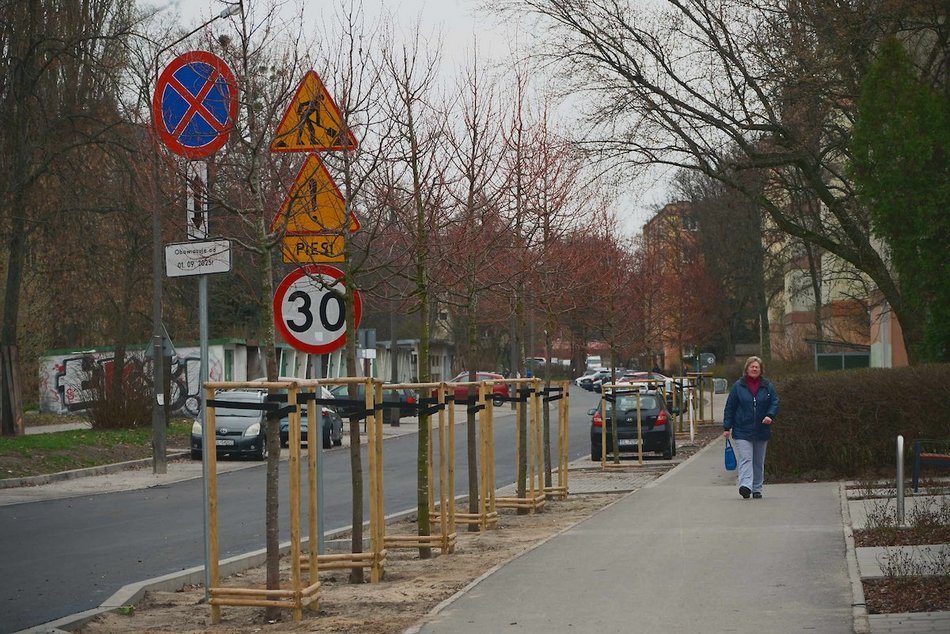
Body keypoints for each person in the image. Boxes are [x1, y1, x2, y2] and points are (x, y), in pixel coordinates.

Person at [723, 356, 779, 499]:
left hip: (761, 429)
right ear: (747, 369)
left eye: (757, 367)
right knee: (746, 458)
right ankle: (745, 485)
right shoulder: (738, 386)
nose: (754, 369)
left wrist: (770, 415)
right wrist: (727, 427)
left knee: (758, 461)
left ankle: (757, 488)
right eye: (752, 366)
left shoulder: (767, 386)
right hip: (742, 429)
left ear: (761, 370)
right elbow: (730, 407)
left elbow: (774, 402)